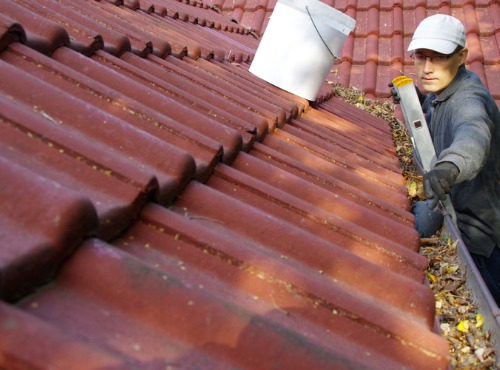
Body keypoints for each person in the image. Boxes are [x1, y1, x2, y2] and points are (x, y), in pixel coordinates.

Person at [390, 14, 500, 305]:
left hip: (483, 240)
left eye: (438, 58)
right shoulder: (444, 89)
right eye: (421, 57)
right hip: (460, 218)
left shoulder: (469, 100)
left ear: (462, 56)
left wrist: (449, 167)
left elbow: (472, 134)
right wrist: (415, 100)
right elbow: (438, 112)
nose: (427, 69)